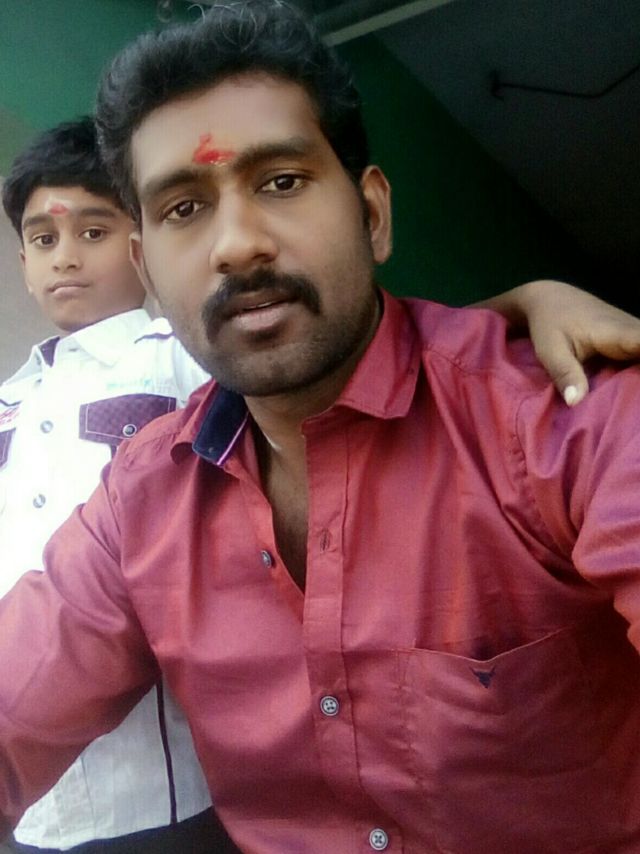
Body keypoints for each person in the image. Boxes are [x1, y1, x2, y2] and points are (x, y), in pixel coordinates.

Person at [2, 3, 640, 851]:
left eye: (281, 182)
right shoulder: (141, 500)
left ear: (372, 214)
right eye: (184, 208)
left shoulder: (567, 420)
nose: (237, 246)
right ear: (148, 265)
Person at [0, 118, 238, 853]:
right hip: (27, 801)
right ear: (23, 262)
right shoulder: (9, 402)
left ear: (141, 243)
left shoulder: (186, 361)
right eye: (44, 240)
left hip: (158, 788)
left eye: (93, 232)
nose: (65, 257)